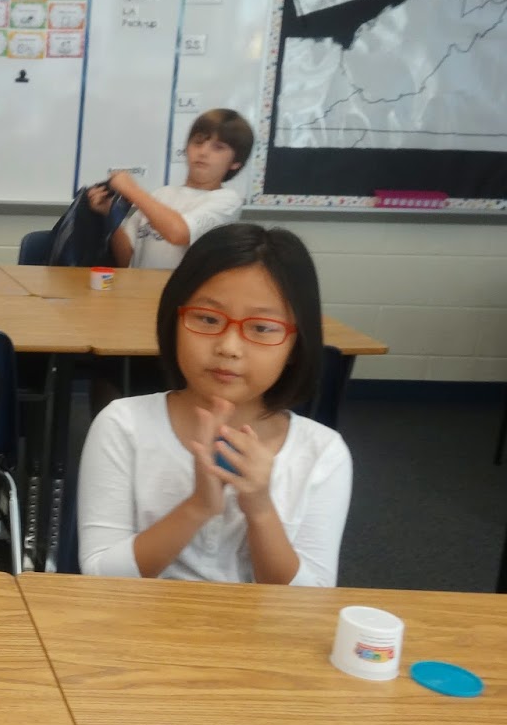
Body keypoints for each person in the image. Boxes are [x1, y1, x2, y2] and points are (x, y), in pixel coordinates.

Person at [77, 223, 351, 586]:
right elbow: (99, 577)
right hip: (136, 619)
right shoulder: (123, 424)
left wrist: (260, 509)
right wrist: (198, 507)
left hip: (261, 625)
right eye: (207, 319)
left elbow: (313, 600)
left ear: (295, 346)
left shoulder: (322, 453)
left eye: (261, 328)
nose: (229, 347)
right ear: (175, 319)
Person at [88, 108, 254, 269]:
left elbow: (178, 233)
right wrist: (110, 214)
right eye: (197, 142)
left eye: (218, 147)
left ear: (235, 162)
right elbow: (127, 261)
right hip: (141, 288)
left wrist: (131, 189)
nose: (203, 152)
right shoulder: (161, 194)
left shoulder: (227, 201)